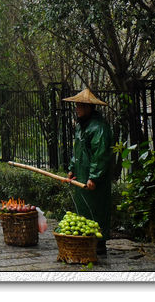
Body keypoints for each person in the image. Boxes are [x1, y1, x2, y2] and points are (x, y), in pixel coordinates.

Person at [64, 87, 113, 255]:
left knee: (97, 209)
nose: (77, 109)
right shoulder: (81, 127)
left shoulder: (99, 128)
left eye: (80, 106)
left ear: (89, 108)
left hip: (93, 180)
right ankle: (85, 241)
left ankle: (99, 243)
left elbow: (101, 155)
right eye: (76, 106)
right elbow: (77, 150)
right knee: (83, 210)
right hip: (81, 176)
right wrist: (71, 169)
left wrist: (94, 177)